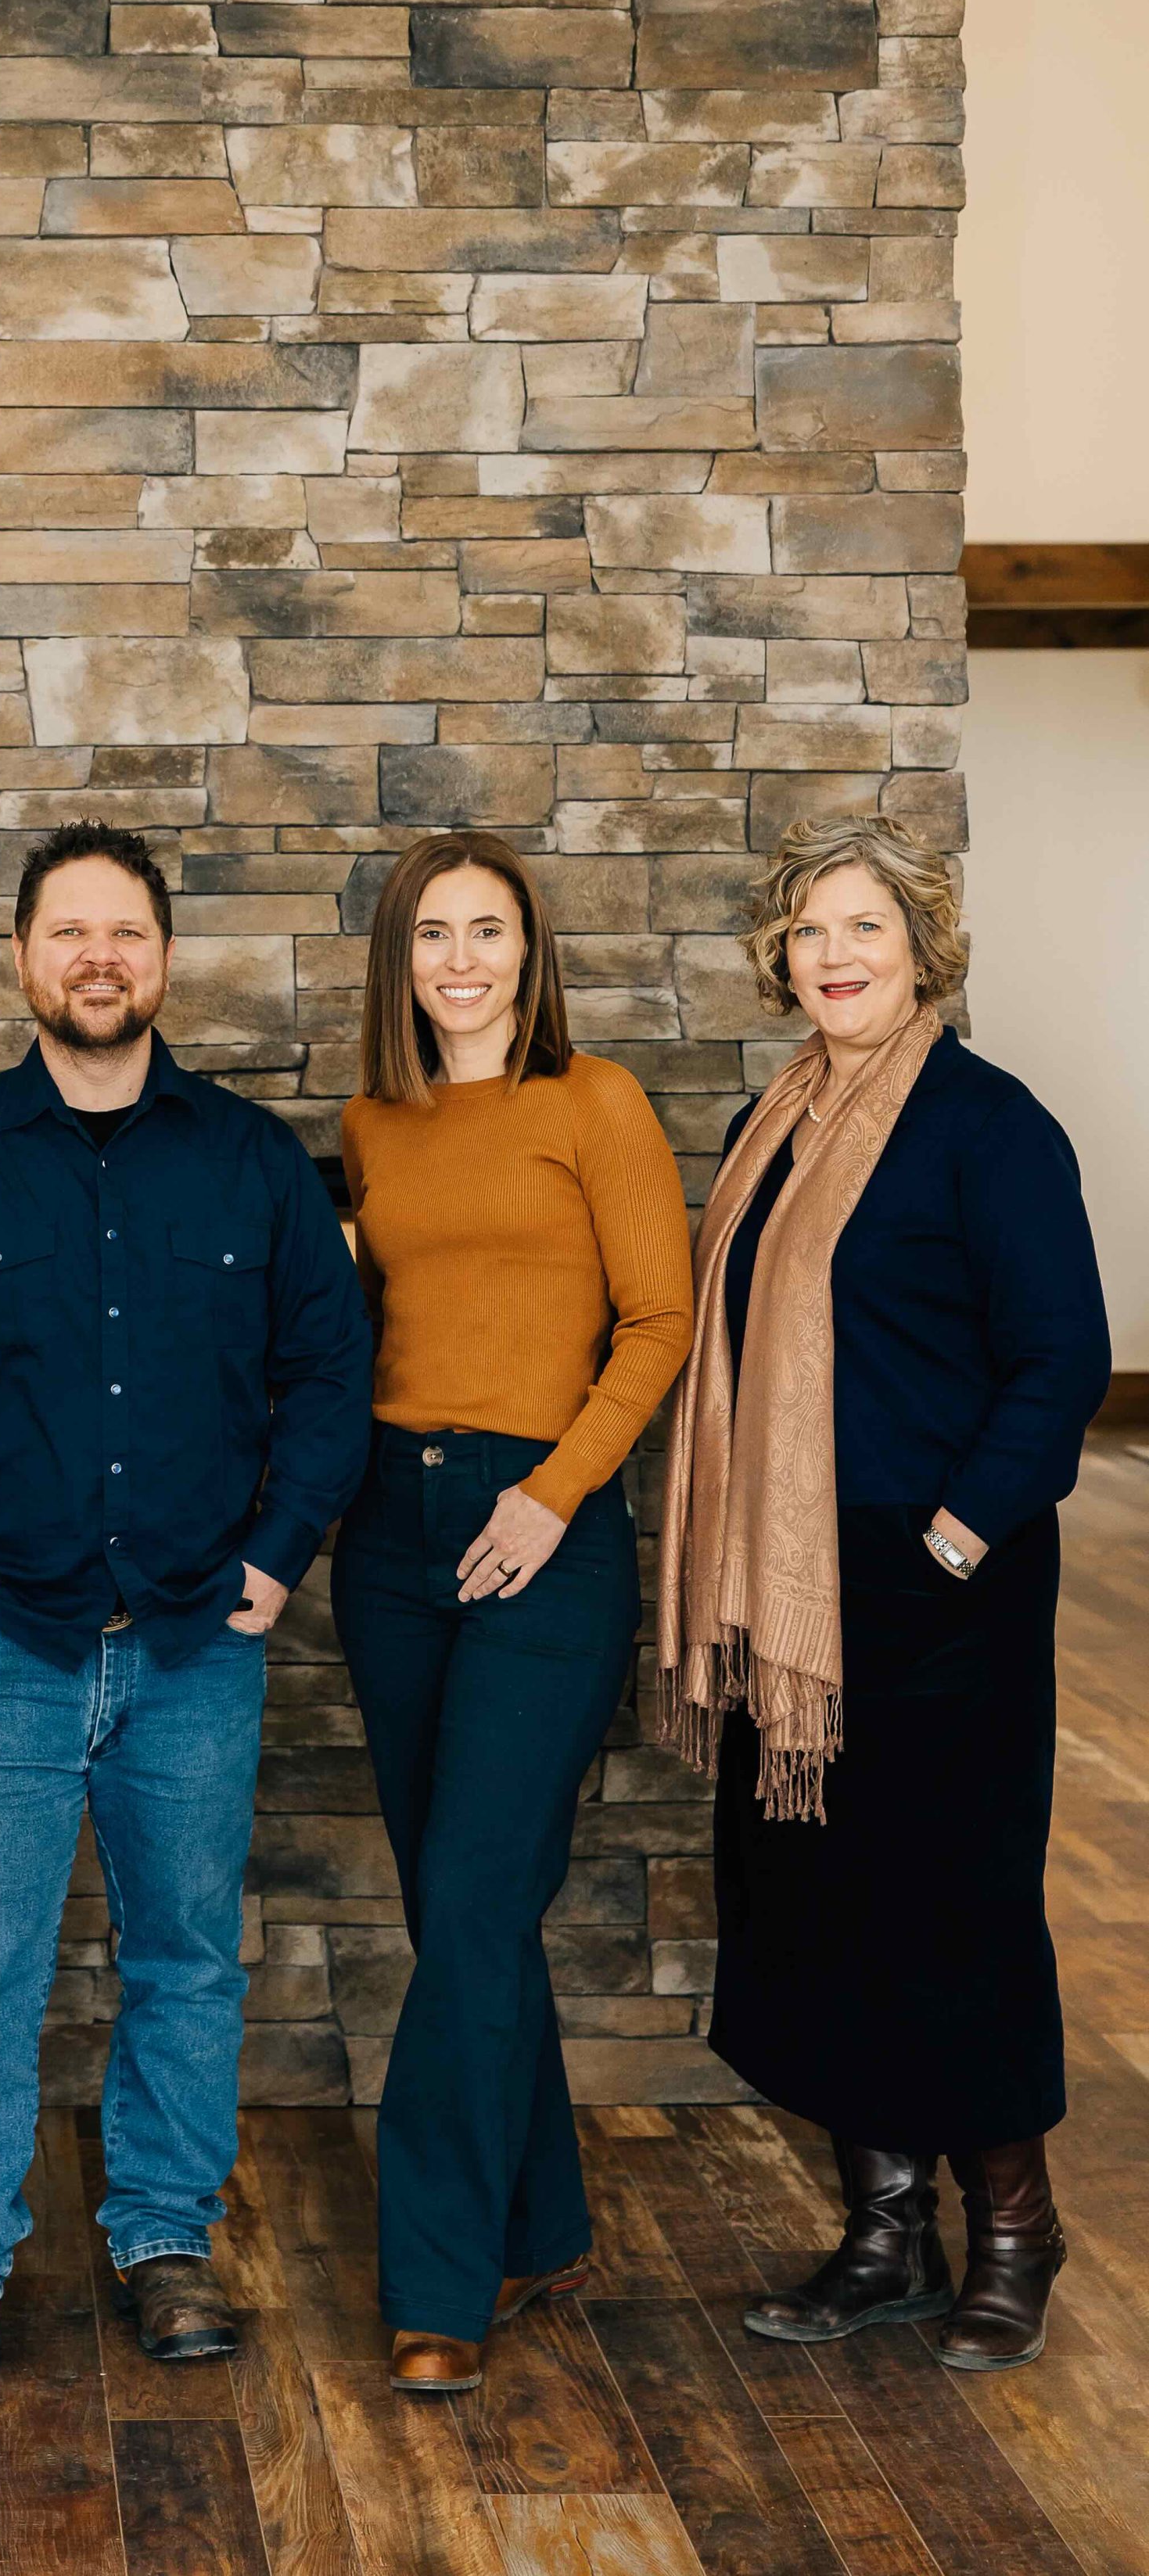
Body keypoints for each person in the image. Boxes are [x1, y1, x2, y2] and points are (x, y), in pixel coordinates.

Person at [0, 822, 371, 2410]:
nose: (98, 957)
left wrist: (277, 1555)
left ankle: (164, 2237)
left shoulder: (253, 1162)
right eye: (68, 931)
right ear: (22, 958)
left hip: (199, 1639)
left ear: (165, 959)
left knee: (186, 1960)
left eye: (124, 931)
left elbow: (328, 1369)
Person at [660, 814, 1108, 2374]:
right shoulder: (772, 1121)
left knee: (951, 1909)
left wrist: (955, 1539)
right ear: (779, 959)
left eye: (865, 926)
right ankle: (884, 2229)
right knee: (817, 1904)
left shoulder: (988, 1126)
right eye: (809, 931)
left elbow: (1059, 1355)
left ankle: (1014, 2231)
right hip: (790, 1594)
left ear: (922, 947)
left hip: (940, 1591)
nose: (835, 955)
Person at [333, 831, 693, 2399]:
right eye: (433, 933)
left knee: (478, 1901)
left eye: (488, 930)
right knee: (455, 1912)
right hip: (389, 1531)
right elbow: (372, 1325)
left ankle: (436, 2283)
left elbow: (659, 1317)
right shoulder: (372, 1123)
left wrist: (551, 1493)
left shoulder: (594, 1102)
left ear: (530, 952)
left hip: (543, 1525)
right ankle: (543, 2224)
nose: (461, 960)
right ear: (398, 960)